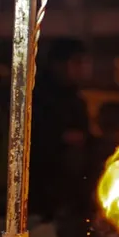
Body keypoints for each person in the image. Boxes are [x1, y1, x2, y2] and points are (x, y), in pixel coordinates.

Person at [30, 38, 91, 221]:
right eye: (76, 62)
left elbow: (84, 134)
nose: (81, 69)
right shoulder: (37, 95)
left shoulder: (75, 98)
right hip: (41, 185)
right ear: (58, 64)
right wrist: (61, 137)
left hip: (69, 186)